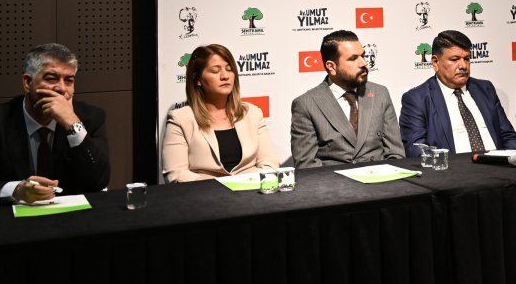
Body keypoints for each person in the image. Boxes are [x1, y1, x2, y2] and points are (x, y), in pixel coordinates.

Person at [0, 43, 110, 205]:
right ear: (27, 82)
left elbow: (98, 181)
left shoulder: (90, 118)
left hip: (73, 222)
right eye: (51, 78)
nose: (62, 89)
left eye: (69, 80)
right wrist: (16, 190)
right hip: (14, 224)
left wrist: (73, 124)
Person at [161, 44, 279, 182]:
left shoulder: (252, 113)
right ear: (197, 79)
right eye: (215, 71)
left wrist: (244, 186)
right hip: (205, 197)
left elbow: (270, 165)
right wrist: (222, 188)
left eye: (229, 69)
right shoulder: (180, 119)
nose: (225, 76)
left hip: (252, 194)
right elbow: (176, 174)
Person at [290, 29, 405, 167]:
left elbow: (396, 154)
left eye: (363, 56)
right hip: (335, 186)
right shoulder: (306, 104)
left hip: (381, 184)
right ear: (332, 67)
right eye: (353, 58)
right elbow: (307, 166)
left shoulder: (380, 93)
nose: (363, 63)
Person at [399, 30, 516, 156]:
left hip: (499, 167)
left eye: (467, 59)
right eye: (454, 59)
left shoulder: (485, 89)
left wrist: (508, 161)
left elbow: (508, 135)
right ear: (435, 62)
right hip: (452, 172)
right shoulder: (417, 99)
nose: (463, 65)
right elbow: (417, 151)